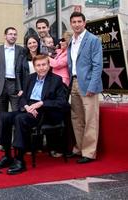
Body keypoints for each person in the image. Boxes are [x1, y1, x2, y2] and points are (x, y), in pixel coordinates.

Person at [0, 54, 69, 175]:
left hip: (44, 111)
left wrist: (41, 103)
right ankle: (7, 156)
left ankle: (20, 160)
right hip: (29, 109)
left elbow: (62, 102)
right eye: (38, 65)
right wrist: (27, 106)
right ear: (34, 66)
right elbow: (22, 97)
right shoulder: (30, 78)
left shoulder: (56, 80)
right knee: (4, 116)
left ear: (49, 65)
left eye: (44, 64)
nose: (41, 68)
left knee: (20, 119)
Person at [67, 12, 103, 164]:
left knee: (90, 119)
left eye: (79, 21)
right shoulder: (71, 41)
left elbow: (97, 65)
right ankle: (80, 148)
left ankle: (88, 152)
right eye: (73, 22)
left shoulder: (93, 40)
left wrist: (93, 86)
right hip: (74, 82)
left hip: (88, 85)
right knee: (77, 118)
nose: (76, 24)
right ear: (71, 24)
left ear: (84, 23)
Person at [0, 27, 24, 130]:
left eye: (15, 34)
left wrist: (22, 87)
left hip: (15, 86)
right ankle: (5, 143)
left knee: (17, 114)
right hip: (1, 86)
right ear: (5, 36)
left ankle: (17, 142)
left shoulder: (21, 50)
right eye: (10, 34)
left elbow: (23, 70)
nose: (13, 36)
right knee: (1, 115)